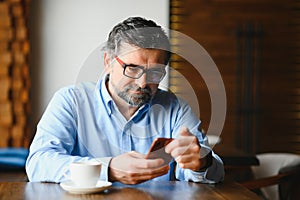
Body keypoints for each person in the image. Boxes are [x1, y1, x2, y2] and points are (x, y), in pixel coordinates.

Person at [26, 16, 224, 184]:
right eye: (132, 68)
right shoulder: (71, 101)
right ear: (108, 62)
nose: (143, 82)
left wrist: (201, 163)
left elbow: (213, 171)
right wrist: (108, 169)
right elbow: (39, 163)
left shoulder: (175, 108)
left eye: (155, 72)